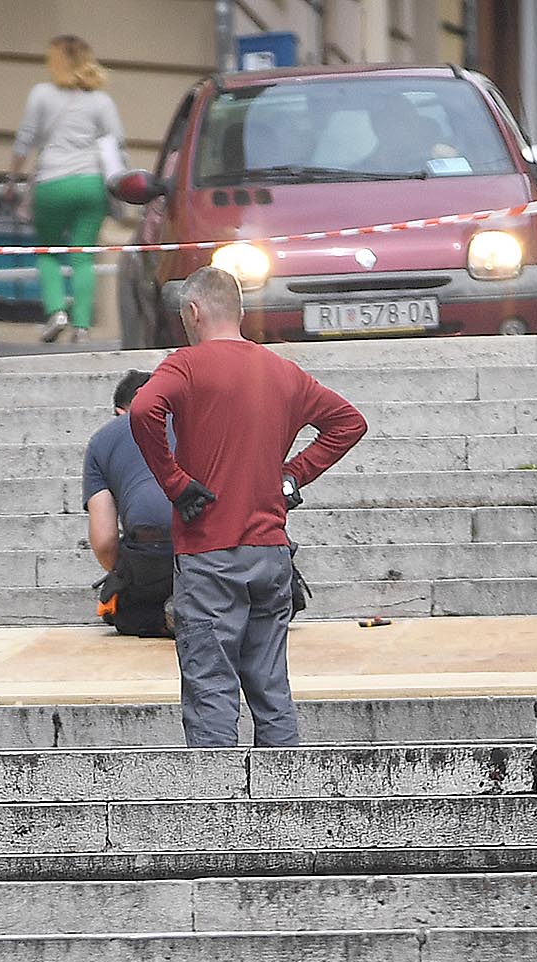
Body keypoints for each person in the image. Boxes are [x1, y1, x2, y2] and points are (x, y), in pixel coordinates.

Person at [128, 265, 367, 749]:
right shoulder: (282, 371)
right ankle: (285, 802)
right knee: (270, 687)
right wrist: (292, 475)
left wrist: (175, 483)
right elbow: (348, 422)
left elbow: (141, 410)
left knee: (211, 686)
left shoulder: (186, 366)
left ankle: (218, 815)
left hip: (208, 551)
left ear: (193, 312)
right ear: (239, 312)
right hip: (271, 554)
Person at [5, 37, 123, 346]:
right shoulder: (101, 101)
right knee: (83, 254)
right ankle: (82, 327)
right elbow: (116, 144)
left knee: (49, 251)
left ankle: (56, 311)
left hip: (51, 184)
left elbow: (24, 141)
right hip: (90, 184)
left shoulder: (42, 95)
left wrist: (11, 178)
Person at [86, 369, 176, 637]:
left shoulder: (102, 440)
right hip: (212, 550)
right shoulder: (198, 421)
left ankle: (162, 616)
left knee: (124, 611)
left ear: (119, 412)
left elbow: (103, 542)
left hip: (150, 550)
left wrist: (124, 574)